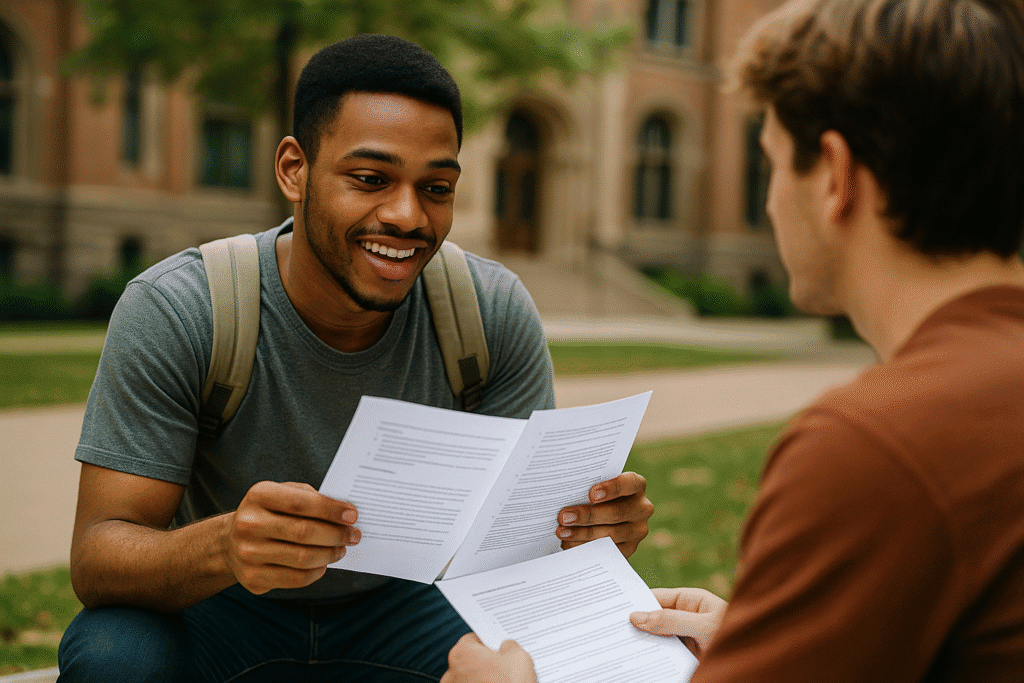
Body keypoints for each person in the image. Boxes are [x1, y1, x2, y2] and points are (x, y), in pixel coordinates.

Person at [442, 0, 1024, 680]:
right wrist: (777, 641)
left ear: (833, 176)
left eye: (771, 160)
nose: (771, 198)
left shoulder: (874, 444)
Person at [57, 34, 654, 683]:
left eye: (436, 187)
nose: (407, 215)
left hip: (407, 605)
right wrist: (226, 545)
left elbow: (514, 556)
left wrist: (583, 540)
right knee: (114, 654)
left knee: (566, 651)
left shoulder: (489, 310)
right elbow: (97, 558)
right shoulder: (182, 308)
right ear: (294, 169)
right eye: (370, 179)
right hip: (221, 604)